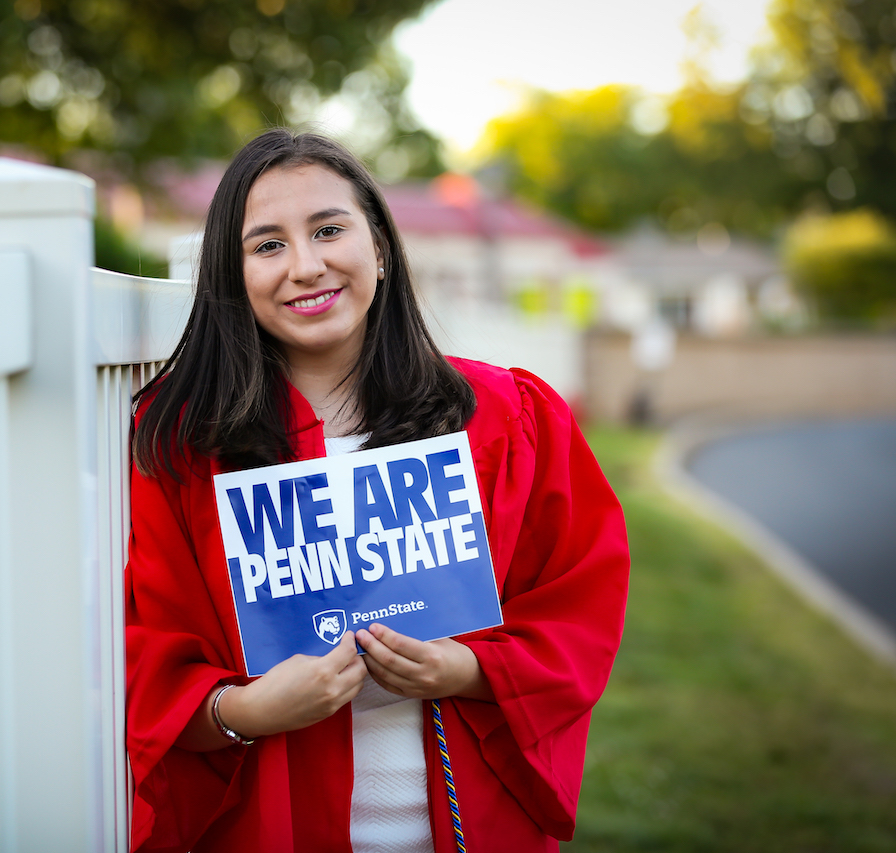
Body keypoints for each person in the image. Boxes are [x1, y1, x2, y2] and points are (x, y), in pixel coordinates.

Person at [125, 128, 629, 853]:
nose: (306, 265)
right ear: (231, 277)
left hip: (464, 825)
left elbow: (580, 602)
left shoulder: (503, 417)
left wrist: (467, 667)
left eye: (330, 228)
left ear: (382, 247)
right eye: (267, 245)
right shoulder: (185, 449)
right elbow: (148, 668)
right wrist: (248, 708)